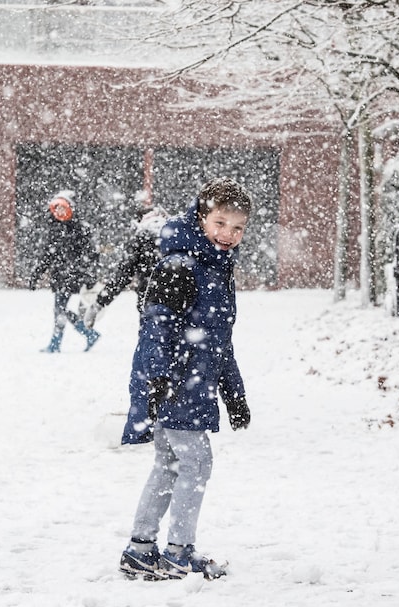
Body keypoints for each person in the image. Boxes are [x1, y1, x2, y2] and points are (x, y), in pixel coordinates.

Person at [117, 177, 253, 581]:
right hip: (177, 381)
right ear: (201, 217)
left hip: (192, 381)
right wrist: (158, 382)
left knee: (170, 462)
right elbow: (157, 329)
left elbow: (218, 340)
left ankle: (141, 549)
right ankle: (177, 551)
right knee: (195, 462)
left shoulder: (215, 266)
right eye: (221, 222)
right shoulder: (182, 265)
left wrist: (234, 393)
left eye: (238, 227)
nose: (228, 234)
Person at [27, 190, 100, 352]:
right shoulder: (54, 230)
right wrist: (36, 275)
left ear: (70, 209)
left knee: (60, 310)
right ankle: (84, 334)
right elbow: (47, 256)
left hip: (73, 276)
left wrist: (88, 274)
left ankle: (64, 341)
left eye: (63, 209)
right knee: (61, 310)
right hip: (60, 276)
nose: (59, 213)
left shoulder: (80, 229)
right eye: (56, 209)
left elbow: (92, 254)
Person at [81, 206, 169, 329]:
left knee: (151, 344)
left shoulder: (141, 237)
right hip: (182, 305)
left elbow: (123, 276)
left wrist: (99, 304)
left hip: (150, 303)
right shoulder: (177, 234)